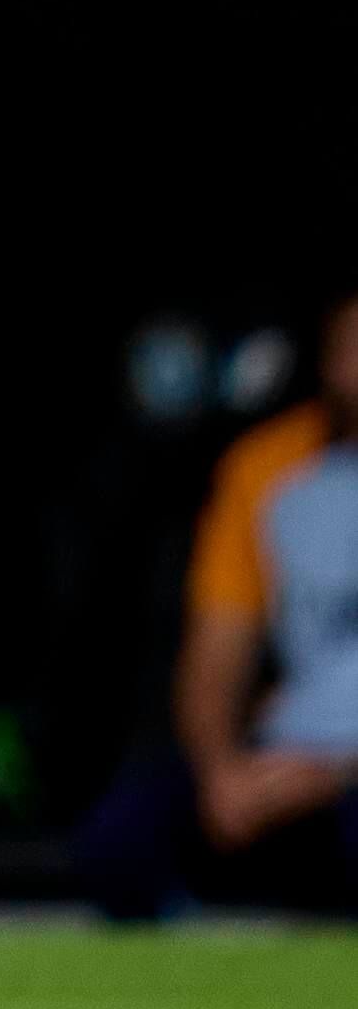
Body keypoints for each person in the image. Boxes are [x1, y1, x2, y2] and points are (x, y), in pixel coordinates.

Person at [77, 293, 358, 920]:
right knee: (119, 842)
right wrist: (221, 773)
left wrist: (337, 772)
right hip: (290, 754)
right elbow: (216, 654)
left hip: (337, 773)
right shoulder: (271, 470)